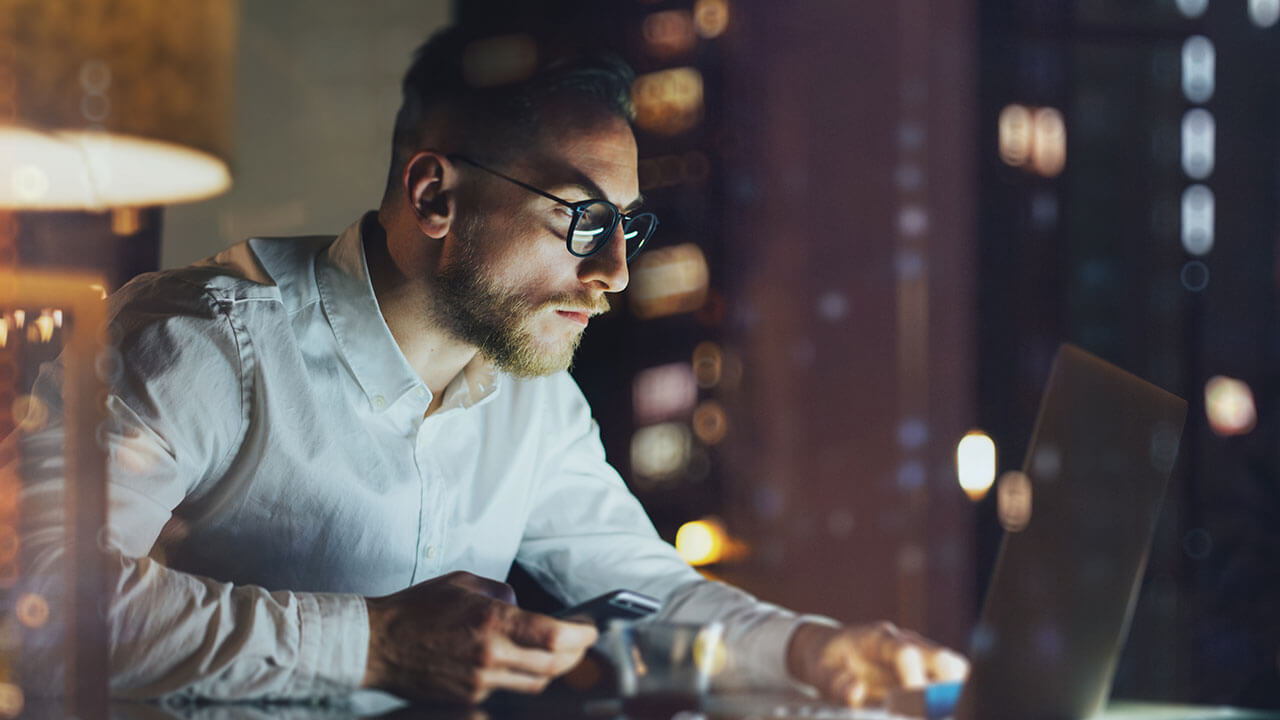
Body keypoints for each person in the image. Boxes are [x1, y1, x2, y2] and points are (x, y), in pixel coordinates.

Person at [19, 26, 966, 706]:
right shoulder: (196, 339)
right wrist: (374, 646)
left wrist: (818, 655)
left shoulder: (534, 395)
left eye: (629, 227)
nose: (615, 276)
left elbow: (646, 590)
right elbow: (37, 604)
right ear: (436, 195)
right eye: (584, 220)